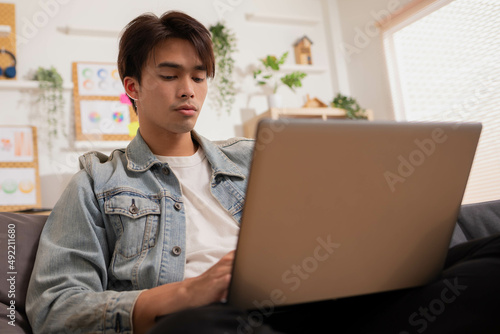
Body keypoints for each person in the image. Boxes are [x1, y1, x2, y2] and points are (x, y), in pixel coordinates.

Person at [26, 10, 500, 334]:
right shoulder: (97, 181)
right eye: (169, 76)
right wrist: (184, 294)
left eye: (199, 75)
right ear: (132, 86)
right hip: (218, 318)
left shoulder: (258, 155)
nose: (187, 90)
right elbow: (55, 307)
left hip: (321, 301)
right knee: (192, 329)